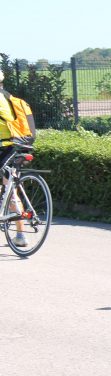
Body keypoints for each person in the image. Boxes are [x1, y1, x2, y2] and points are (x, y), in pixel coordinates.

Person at [0, 69, 28, 248]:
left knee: (8, 188)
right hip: (16, 146)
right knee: (11, 188)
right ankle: (20, 234)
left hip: (3, 147)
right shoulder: (8, 97)